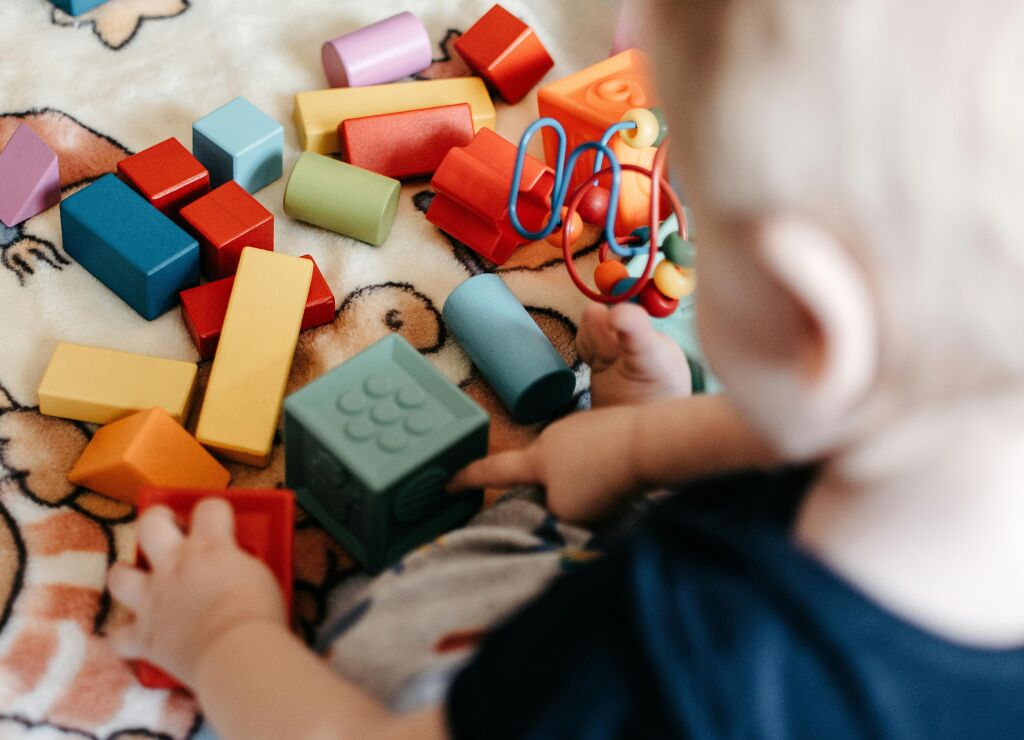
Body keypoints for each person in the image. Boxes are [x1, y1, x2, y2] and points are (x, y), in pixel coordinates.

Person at [105, 0, 1024, 736]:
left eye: (696, 214)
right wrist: (637, 448)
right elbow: (834, 433)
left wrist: (225, 636)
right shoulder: (967, 424)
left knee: (374, 661)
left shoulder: (662, 663)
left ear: (808, 320)